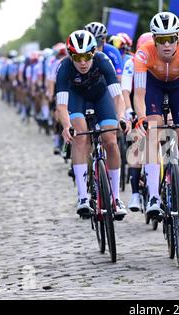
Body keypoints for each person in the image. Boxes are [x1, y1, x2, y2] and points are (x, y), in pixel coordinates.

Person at [133, 12, 179, 224]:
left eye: (171, 38)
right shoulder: (143, 55)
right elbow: (139, 94)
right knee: (153, 132)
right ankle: (154, 196)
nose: (166, 45)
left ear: (178, 37)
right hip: (154, 86)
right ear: (153, 39)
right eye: (161, 40)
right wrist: (142, 117)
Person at [56, 30, 130, 219]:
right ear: (70, 55)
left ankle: (115, 197)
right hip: (77, 99)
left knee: (110, 140)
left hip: (100, 97)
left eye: (87, 57)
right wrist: (66, 126)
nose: (82, 62)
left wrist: (121, 117)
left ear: (93, 53)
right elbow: (62, 106)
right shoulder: (64, 68)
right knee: (80, 137)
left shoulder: (103, 60)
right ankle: (82, 197)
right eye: (77, 57)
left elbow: (117, 96)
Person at [121, 32, 153, 212]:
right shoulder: (130, 63)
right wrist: (128, 111)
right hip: (135, 100)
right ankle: (135, 193)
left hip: (155, 100)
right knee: (137, 143)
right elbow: (125, 91)